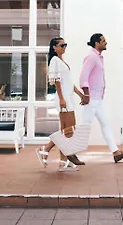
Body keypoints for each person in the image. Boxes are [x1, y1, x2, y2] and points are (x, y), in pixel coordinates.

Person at [79, 33, 123, 163]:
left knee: (105, 124)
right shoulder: (91, 57)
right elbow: (83, 77)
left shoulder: (98, 57)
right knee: (84, 127)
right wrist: (86, 95)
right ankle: (69, 154)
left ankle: (116, 152)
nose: (106, 43)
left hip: (98, 99)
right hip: (92, 98)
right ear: (97, 43)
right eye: (103, 41)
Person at [36, 37, 86, 171]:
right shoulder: (54, 60)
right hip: (63, 99)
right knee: (68, 130)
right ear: (54, 47)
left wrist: (80, 94)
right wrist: (62, 99)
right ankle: (47, 150)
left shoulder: (61, 61)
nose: (64, 47)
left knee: (67, 131)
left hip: (68, 98)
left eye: (65, 45)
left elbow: (68, 82)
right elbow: (57, 82)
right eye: (62, 45)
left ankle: (62, 161)